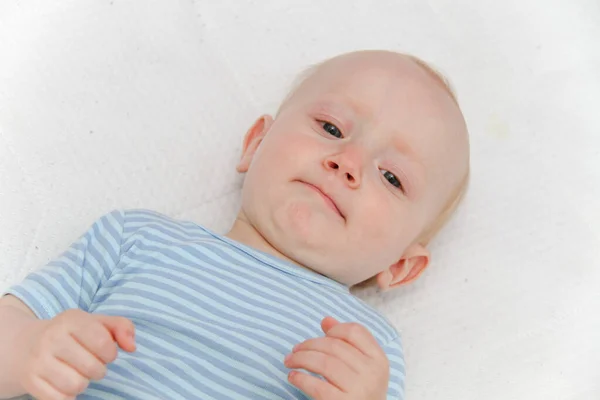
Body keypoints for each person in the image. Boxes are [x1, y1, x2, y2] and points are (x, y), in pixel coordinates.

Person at [0, 49, 470, 400]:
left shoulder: (368, 350)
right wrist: (27, 348)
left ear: (403, 267)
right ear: (255, 144)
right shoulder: (135, 239)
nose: (347, 162)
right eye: (331, 128)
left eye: (391, 177)